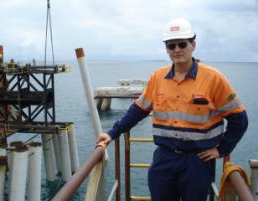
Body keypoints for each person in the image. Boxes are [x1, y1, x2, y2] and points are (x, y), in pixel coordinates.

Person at [97, 18, 248, 201]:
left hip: (197, 161)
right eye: (171, 46)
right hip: (164, 157)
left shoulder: (214, 79)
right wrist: (112, 133)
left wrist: (222, 149)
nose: (177, 50)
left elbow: (239, 119)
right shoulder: (157, 78)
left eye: (182, 44)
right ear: (166, 49)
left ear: (193, 45)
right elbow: (138, 110)